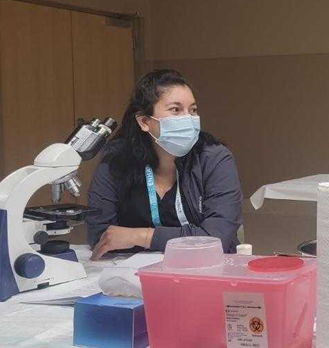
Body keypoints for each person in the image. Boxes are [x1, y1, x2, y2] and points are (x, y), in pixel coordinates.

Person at [87, 69, 242, 260]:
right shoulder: (117, 160)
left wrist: (140, 236)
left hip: (206, 270)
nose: (188, 119)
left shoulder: (215, 158)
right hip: (132, 273)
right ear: (145, 121)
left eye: (192, 110)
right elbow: (101, 235)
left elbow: (217, 238)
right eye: (175, 110)